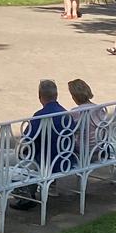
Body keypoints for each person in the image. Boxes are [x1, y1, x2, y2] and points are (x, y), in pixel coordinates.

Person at [9, 80, 71, 211]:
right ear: (57, 95)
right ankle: (45, 187)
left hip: (47, 163)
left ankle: (25, 196)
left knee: (10, 157)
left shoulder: (39, 116)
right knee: (39, 153)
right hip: (65, 160)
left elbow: (25, 141)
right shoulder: (66, 114)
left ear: (40, 96)